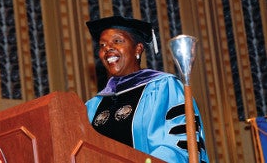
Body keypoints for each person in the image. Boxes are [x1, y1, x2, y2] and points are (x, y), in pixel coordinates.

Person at [85, 15, 209, 162]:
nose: (108, 49)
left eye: (117, 41)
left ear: (138, 49)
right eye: (102, 45)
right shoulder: (93, 106)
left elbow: (179, 145)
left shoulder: (164, 88)